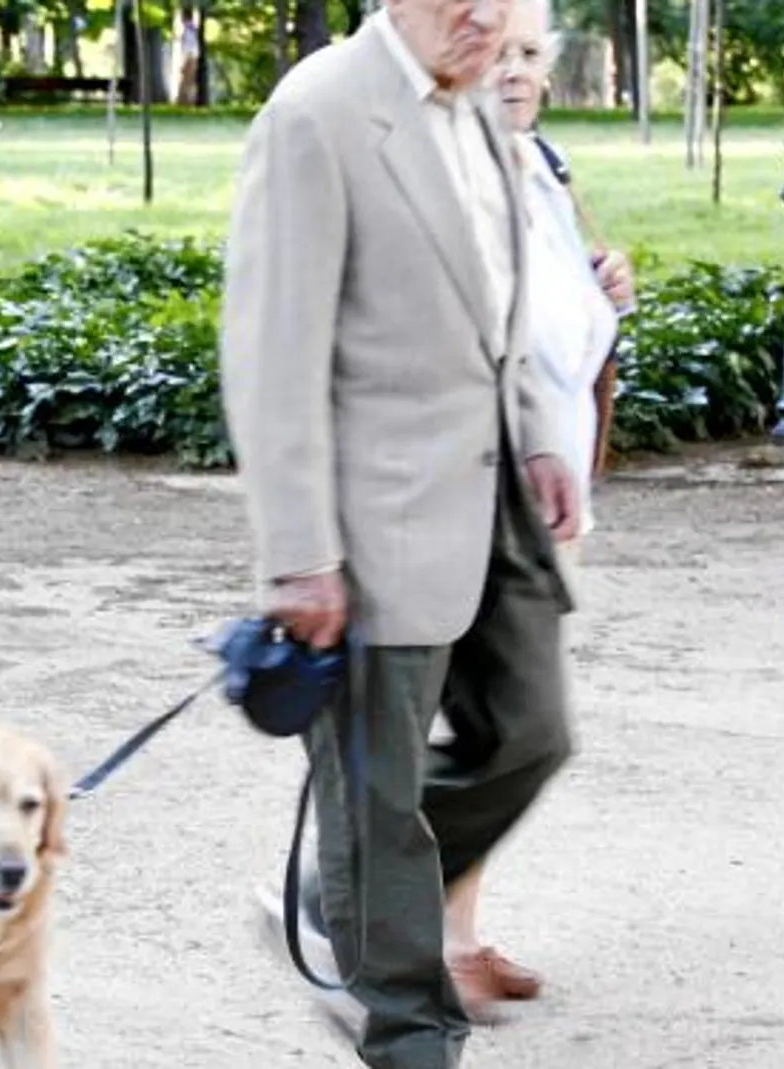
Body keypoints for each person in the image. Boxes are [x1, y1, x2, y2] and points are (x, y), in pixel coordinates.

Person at [217, 0, 579, 1065]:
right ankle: (411, 1035)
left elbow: (492, 311)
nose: (483, 14)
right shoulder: (317, 113)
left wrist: (538, 437)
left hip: (497, 495)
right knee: (375, 805)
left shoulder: (471, 100)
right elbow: (271, 352)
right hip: (372, 525)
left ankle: (335, 894)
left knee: (531, 734)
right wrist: (299, 554)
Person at [431, 0, 637, 1015]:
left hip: (553, 479)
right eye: (497, 54)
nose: (512, 72)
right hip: (485, 489)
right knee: (498, 725)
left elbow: (561, 317)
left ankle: (457, 934)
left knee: (503, 727)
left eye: (528, 55)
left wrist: (607, 289)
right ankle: (402, 921)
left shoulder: (544, 170)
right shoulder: (459, 176)